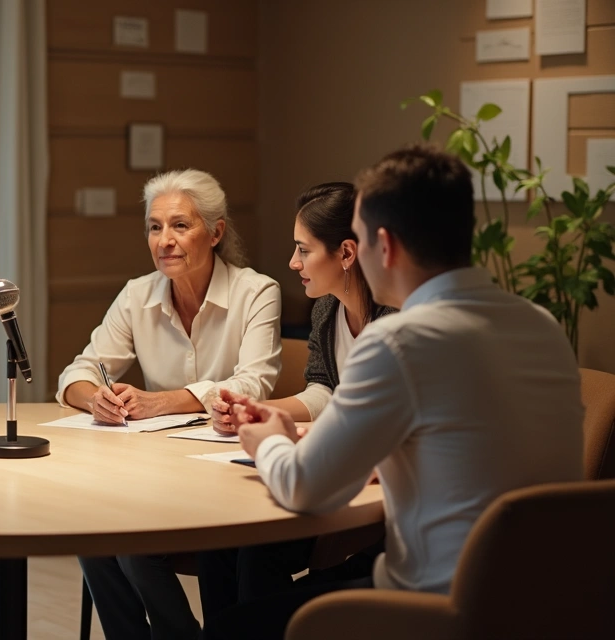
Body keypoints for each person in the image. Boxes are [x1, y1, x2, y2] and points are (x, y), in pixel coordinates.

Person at [206, 144, 584, 639]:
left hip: (437, 611)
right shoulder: (542, 326)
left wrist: (270, 439)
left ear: (383, 246)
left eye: (358, 240)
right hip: (555, 604)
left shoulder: (399, 341)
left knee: (230, 628)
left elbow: (306, 488)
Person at [63, 169, 282, 640]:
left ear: (216, 231)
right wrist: (96, 398)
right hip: (157, 470)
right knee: (93, 532)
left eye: (180, 225)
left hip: (225, 472)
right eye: (155, 227)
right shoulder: (136, 294)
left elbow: (254, 382)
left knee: (133, 546)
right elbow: (77, 372)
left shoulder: (256, 291)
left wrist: (162, 402)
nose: (165, 240)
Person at [196, 182, 396, 618]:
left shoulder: (398, 327)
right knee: (221, 545)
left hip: (372, 502)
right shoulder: (326, 310)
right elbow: (325, 389)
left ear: (346, 253)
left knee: (252, 552)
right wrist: (263, 412)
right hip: (345, 471)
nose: (292, 262)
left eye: (303, 250)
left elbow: (367, 423)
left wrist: (278, 436)